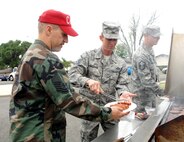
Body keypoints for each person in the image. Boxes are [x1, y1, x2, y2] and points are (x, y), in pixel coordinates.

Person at [9, 9, 131, 142]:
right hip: (40, 134)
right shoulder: (45, 58)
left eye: (115, 39)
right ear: (49, 29)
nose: (66, 40)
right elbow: (69, 100)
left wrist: (122, 94)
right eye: (64, 34)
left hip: (29, 131)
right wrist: (107, 112)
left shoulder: (33, 53)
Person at [68, 21, 136, 142]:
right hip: (90, 110)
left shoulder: (121, 63)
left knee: (117, 138)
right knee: (87, 139)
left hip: (111, 110)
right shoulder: (87, 57)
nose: (112, 43)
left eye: (115, 40)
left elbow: (123, 84)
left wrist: (123, 93)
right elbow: (72, 74)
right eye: (109, 39)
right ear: (101, 37)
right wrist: (87, 81)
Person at [132, 25, 164, 120]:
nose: (158, 38)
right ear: (146, 36)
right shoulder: (141, 55)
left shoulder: (150, 50)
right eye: (155, 36)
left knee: (152, 122)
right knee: (141, 127)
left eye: (158, 36)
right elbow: (146, 80)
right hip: (143, 99)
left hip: (151, 96)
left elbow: (153, 74)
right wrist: (163, 92)